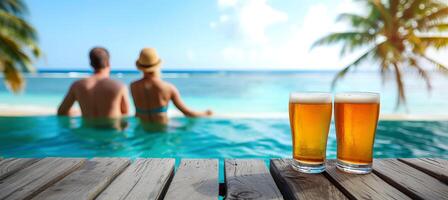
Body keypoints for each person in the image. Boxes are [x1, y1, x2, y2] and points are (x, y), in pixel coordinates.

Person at [130, 48, 212, 126]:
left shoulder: (133, 86)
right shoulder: (168, 88)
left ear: (140, 67)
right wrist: (205, 113)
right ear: (158, 66)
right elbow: (187, 113)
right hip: (162, 129)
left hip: (142, 129)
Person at [57, 47, 130, 128]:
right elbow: (125, 115)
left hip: (87, 134)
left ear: (91, 64)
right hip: (111, 133)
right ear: (108, 63)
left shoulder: (77, 85)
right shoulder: (119, 86)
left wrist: (78, 112)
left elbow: (61, 112)